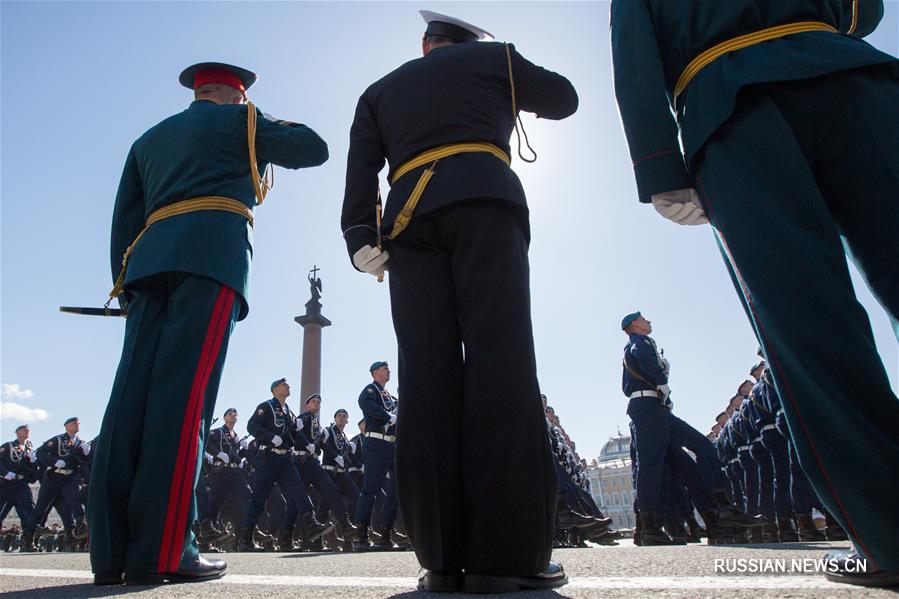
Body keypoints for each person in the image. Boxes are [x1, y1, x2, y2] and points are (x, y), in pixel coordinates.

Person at [611, 1, 898, 586]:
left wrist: (661, 166)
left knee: (810, 328)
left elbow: (635, 53)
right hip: (848, 74)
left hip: (731, 100)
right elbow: (863, 11)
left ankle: (891, 530)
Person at [340, 10, 577, 593]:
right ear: (468, 44)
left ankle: (441, 559)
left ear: (426, 45)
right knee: (501, 363)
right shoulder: (493, 58)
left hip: (410, 221)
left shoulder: (379, 90)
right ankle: (508, 557)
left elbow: (360, 172)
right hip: (484, 202)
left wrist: (357, 239)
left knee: (424, 375)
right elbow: (564, 99)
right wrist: (508, 76)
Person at [87, 62, 328, 585]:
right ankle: (167, 548)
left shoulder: (148, 139)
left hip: (147, 268)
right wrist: (255, 120)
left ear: (198, 93)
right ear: (236, 96)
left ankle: (110, 552)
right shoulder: (239, 122)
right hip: (212, 257)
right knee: (184, 404)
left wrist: (124, 286)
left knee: (129, 401)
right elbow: (313, 148)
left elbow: (123, 221)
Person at [240, 379, 332, 552]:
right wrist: (269, 436)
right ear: (275, 389)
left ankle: (312, 525)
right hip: (268, 457)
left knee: (298, 490)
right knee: (259, 498)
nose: (288, 386)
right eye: (285, 385)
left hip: (285, 459)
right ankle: (246, 538)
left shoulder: (289, 412)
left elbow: (291, 437)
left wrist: (298, 434)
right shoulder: (266, 406)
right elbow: (252, 426)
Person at [352, 362, 400, 552]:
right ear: (375, 372)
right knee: (370, 489)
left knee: (396, 491)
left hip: (392, 444)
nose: (388, 371)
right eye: (384, 369)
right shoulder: (370, 390)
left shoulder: (390, 396)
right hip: (377, 443)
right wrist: (389, 417)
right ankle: (361, 535)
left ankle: (386, 535)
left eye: (388, 369)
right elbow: (367, 406)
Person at [21, 418, 89, 552]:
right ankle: (28, 540)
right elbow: (41, 453)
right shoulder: (57, 440)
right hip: (53, 478)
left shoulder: (81, 443)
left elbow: (82, 463)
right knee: (40, 508)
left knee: (75, 501)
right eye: (74, 423)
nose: (77, 425)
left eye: (78, 424)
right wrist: (54, 461)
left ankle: (80, 529)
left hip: (70, 477)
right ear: (66, 426)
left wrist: (86, 454)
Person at [203, 408, 250, 544]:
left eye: (235, 414)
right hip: (221, 472)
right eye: (230, 413)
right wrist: (218, 453)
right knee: (215, 504)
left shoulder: (236, 436)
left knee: (248, 495)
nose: (233, 415)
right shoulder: (217, 432)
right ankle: (207, 536)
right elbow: (206, 442)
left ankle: (249, 531)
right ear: (224, 417)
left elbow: (238, 457)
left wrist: (244, 450)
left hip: (235, 473)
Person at [0, 425, 37, 530]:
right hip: (6, 483)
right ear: (17, 432)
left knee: (28, 508)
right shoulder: (8, 446)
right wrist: (5, 473)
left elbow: (30, 468)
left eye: (28, 430)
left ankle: (29, 537)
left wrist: (33, 462)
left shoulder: (29, 449)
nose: (27, 432)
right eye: (24, 430)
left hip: (21, 483)